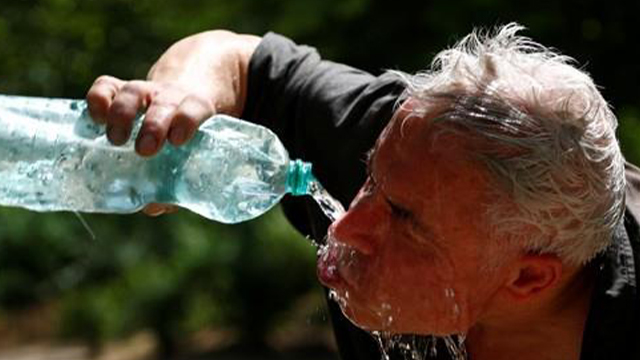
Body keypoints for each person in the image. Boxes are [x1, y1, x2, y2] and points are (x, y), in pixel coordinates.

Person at [86, 23, 639, 360]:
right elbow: (241, 61)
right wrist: (176, 101)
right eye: (371, 176)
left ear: (528, 276)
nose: (344, 224)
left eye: (403, 218)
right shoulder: (420, 146)